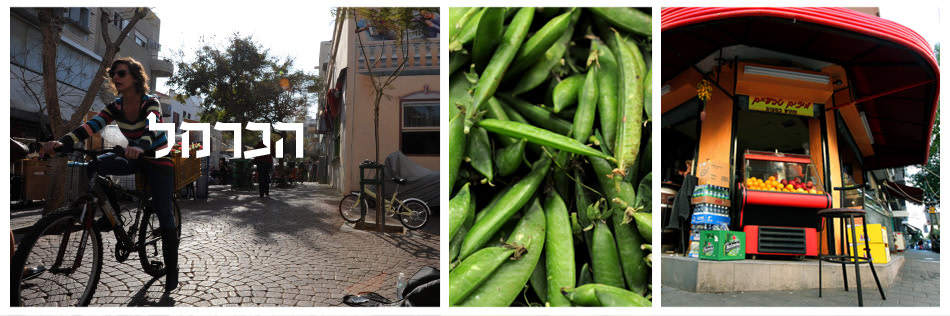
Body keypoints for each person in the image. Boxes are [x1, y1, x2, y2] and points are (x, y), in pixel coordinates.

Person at [43, 57, 178, 292]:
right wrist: (63, 143)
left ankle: (172, 270)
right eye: (113, 73)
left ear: (136, 77)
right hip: (133, 155)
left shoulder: (150, 102)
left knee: (164, 213)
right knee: (93, 165)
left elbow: (153, 125)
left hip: (158, 160)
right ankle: (111, 215)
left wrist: (141, 146)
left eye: (121, 73)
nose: (115, 77)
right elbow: (91, 125)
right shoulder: (115, 106)